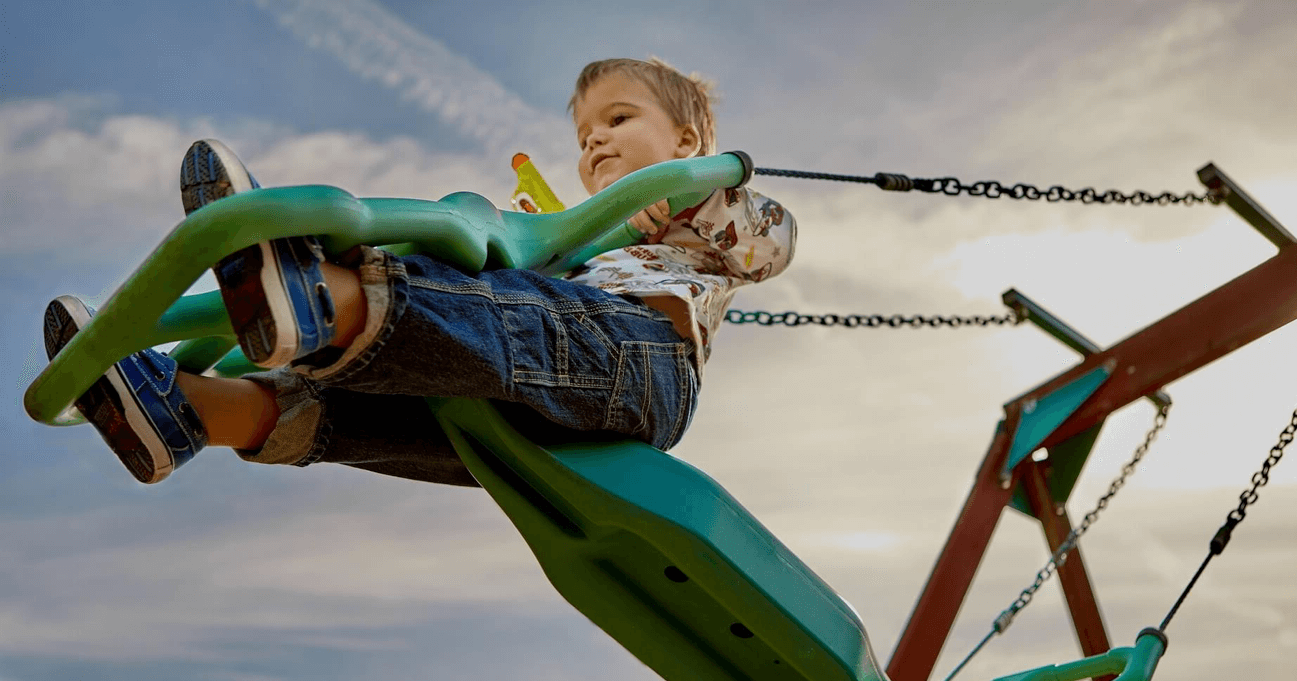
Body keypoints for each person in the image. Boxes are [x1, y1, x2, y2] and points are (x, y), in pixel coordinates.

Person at [43, 57, 796, 486]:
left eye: (619, 120)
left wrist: (697, 189)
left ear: (690, 139)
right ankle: (193, 410)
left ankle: (324, 299)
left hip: (642, 371)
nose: (596, 141)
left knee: (494, 309)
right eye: (586, 133)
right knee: (416, 413)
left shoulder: (717, 214)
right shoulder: (585, 239)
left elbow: (773, 242)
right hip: (549, 419)